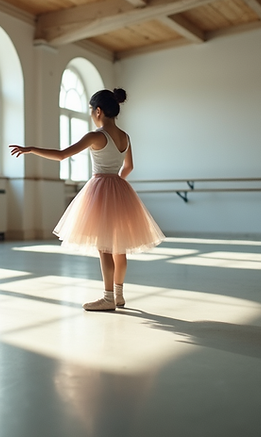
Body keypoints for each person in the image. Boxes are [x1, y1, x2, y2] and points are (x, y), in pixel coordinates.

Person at [10, 88, 164, 311]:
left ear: (98, 111)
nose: (92, 114)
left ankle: (108, 297)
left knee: (104, 248)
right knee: (120, 248)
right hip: (120, 189)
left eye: (91, 111)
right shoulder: (125, 137)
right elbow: (129, 166)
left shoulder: (96, 135)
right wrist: (117, 183)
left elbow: (63, 155)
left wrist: (32, 149)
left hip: (100, 188)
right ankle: (119, 295)